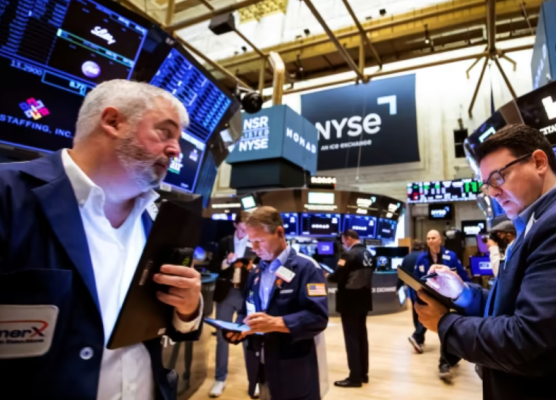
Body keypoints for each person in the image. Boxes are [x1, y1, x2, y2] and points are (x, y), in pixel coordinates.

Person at [0, 80, 203, 399]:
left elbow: (161, 322)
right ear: (113, 121)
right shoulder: (9, 194)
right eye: (165, 132)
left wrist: (188, 310)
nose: (176, 149)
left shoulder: (158, 221)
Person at [415, 124, 556, 399]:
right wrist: (463, 293)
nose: (492, 192)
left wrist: (444, 323)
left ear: (538, 162)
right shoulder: (538, 224)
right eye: (486, 185)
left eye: (498, 177)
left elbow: (533, 343)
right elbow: (513, 307)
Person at [225, 206, 329, 400]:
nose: (254, 248)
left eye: (260, 241)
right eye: (251, 241)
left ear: (279, 233)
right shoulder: (255, 272)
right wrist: (239, 327)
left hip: (294, 370)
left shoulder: (307, 268)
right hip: (262, 367)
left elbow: (317, 317)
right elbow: (245, 309)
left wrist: (274, 323)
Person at [210, 211, 257, 398]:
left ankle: (253, 381)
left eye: (248, 228)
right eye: (242, 227)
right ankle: (219, 378)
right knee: (222, 338)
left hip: (246, 295)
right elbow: (213, 265)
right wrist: (226, 262)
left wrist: (252, 268)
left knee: (247, 337)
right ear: (235, 225)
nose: (245, 231)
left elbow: (263, 267)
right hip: (226, 293)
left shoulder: (254, 243)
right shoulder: (225, 242)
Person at [414, 229, 470, 383]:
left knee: (448, 330)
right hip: (432, 300)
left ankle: (445, 363)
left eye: (433, 238)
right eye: (428, 238)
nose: (431, 240)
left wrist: (467, 294)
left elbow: (463, 276)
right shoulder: (421, 258)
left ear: (440, 240)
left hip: (451, 299)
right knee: (442, 329)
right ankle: (446, 360)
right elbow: (416, 279)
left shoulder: (451, 256)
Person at [327, 230, 375, 388]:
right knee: (362, 337)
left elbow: (338, 276)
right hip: (364, 299)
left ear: (348, 238)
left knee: (352, 339)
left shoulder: (348, 255)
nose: (343, 244)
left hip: (349, 301)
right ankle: (363, 374)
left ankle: (354, 377)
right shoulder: (369, 253)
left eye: (343, 241)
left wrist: (328, 276)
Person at [401, 239, 427, 354]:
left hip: (412, 290)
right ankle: (417, 336)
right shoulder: (424, 257)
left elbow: (402, 274)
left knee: (416, 313)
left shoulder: (406, 258)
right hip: (424, 289)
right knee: (426, 313)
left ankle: (419, 339)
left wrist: (398, 286)